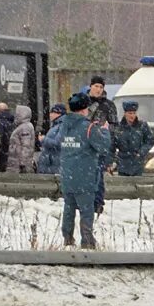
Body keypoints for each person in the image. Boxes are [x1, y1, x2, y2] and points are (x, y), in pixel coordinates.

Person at [58, 93, 111, 249]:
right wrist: (105, 131)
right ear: (83, 110)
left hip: (67, 175)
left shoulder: (63, 125)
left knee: (68, 209)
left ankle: (67, 239)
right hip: (85, 176)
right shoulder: (88, 127)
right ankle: (87, 241)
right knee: (86, 212)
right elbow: (103, 147)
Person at [87, 76, 118, 215]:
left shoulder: (108, 105)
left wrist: (103, 132)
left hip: (100, 146)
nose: (98, 90)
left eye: (101, 87)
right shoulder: (83, 102)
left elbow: (114, 127)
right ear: (91, 86)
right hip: (85, 145)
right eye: (96, 86)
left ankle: (97, 203)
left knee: (98, 176)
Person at [112, 101, 154, 176]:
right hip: (123, 164)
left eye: (134, 113)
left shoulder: (142, 126)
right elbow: (112, 146)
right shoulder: (118, 128)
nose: (132, 116)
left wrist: (141, 152)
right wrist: (111, 161)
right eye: (130, 113)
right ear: (125, 113)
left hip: (138, 163)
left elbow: (150, 140)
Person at [37, 104, 67, 175]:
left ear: (59, 113)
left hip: (54, 165)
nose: (50, 115)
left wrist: (44, 139)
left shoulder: (62, 125)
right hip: (51, 164)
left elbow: (58, 143)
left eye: (52, 112)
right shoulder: (56, 125)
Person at [6, 105, 36, 173]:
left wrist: (23, 163)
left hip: (18, 164)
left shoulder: (25, 127)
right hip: (16, 163)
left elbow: (26, 145)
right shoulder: (23, 126)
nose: (15, 115)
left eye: (17, 113)